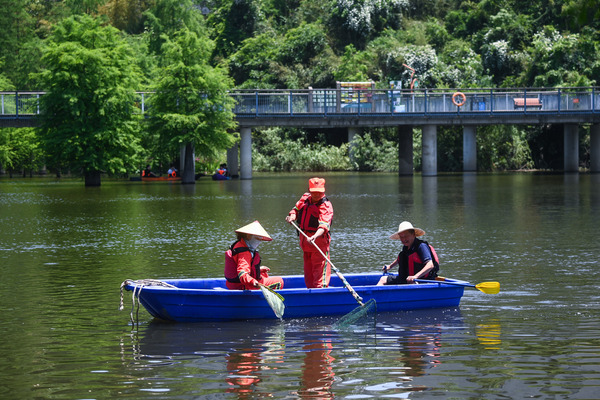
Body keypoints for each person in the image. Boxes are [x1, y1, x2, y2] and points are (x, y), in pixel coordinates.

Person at [285, 177, 334, 288]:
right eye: (314, 192)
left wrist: (314, 236)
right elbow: (295, 210)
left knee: (319, 277)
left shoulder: (325, 206)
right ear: (309, 190)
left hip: (318, 244)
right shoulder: (305, 198)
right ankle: (310, 295)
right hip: (305, 243)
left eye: (319, 193)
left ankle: (321, 295)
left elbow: (323, 226)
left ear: (323, 191)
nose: (317, 195)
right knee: (309, 276)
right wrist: (292, 216)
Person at [224, 220, 284, 290]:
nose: (260, 241)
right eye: (258, 237)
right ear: (249, 236)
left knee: (263, 275)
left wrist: (259, 270)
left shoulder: (240, 245)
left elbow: (240, 266)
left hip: (234, 285)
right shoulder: (244, 253)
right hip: (243, 286)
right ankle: (269, 301)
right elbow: (242, 272)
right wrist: (253, 282)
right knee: (279, 281)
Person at [377, 221, 440, 286]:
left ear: (413, 234)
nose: (404, 239)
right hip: (407, 279)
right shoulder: (406, 247)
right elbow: (400, 259)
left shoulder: (421, 246)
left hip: (421, 281)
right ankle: (375, 296)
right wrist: (390, 266)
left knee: (411, 283)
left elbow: (430, 265)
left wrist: (415, 276)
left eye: (406, 236)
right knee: (383, 279)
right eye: (401, 237)